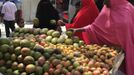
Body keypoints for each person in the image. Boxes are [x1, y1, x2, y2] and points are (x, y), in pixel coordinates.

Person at [71, 0, 134, 75]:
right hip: (112, 53)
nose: (104, 3)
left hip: (127, 49)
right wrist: (77, 30)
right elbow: (94, 27)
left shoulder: (129, 9)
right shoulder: (106, 9)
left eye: (106, 0)